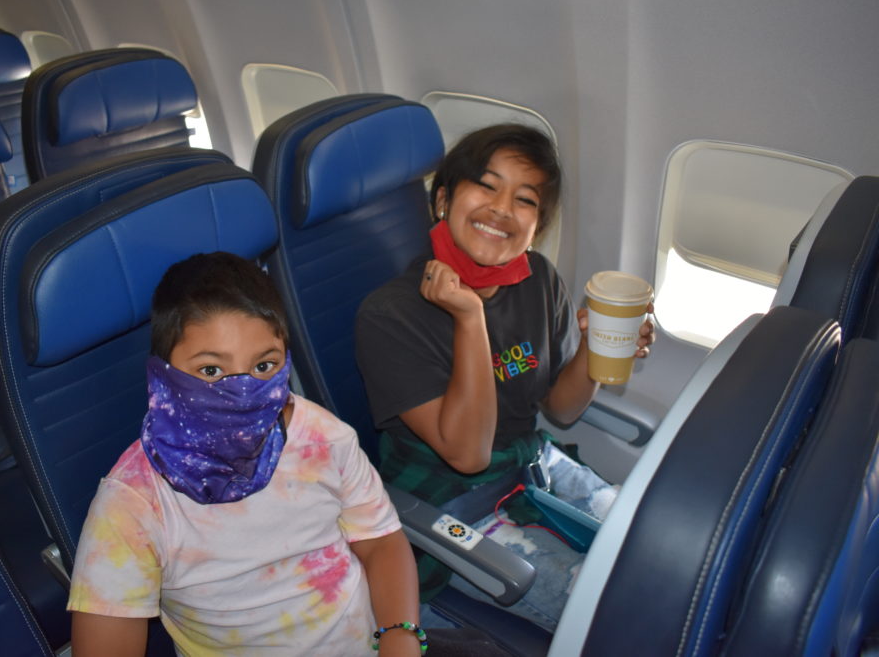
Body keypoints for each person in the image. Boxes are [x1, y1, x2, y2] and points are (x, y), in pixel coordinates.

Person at [355, 124, 655, 631]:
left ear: (538, 223)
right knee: (626, 616)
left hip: (531, 464)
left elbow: (560, 409)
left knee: (655, 552)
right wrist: (470, 318)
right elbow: (467, 455)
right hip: (448, 501)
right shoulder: (390, 315)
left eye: (525, 199)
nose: (501, 208)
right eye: (487, 186)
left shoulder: (538, 279)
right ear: (444, 200)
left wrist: (594, 348)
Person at [68, 252, 424, 656]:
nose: (241, 392)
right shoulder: (134, 503)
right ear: (163, 372)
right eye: (210, 371)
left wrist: (401, 637)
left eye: (263, 366)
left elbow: (380, 542)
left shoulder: (322, 438)